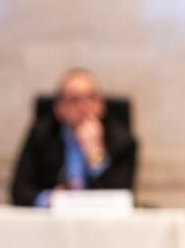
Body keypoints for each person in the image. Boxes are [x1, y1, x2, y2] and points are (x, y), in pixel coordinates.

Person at [10, 67, 138, 207]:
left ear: (101, 105)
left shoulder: (122, 141)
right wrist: (50, 199)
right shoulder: (42, 135)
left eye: (91, 98)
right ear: (59, 108)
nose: (84, 107)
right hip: (52, 222)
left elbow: (120, 199)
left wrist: (95, 156)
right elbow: (19, 191)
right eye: (74, 100)